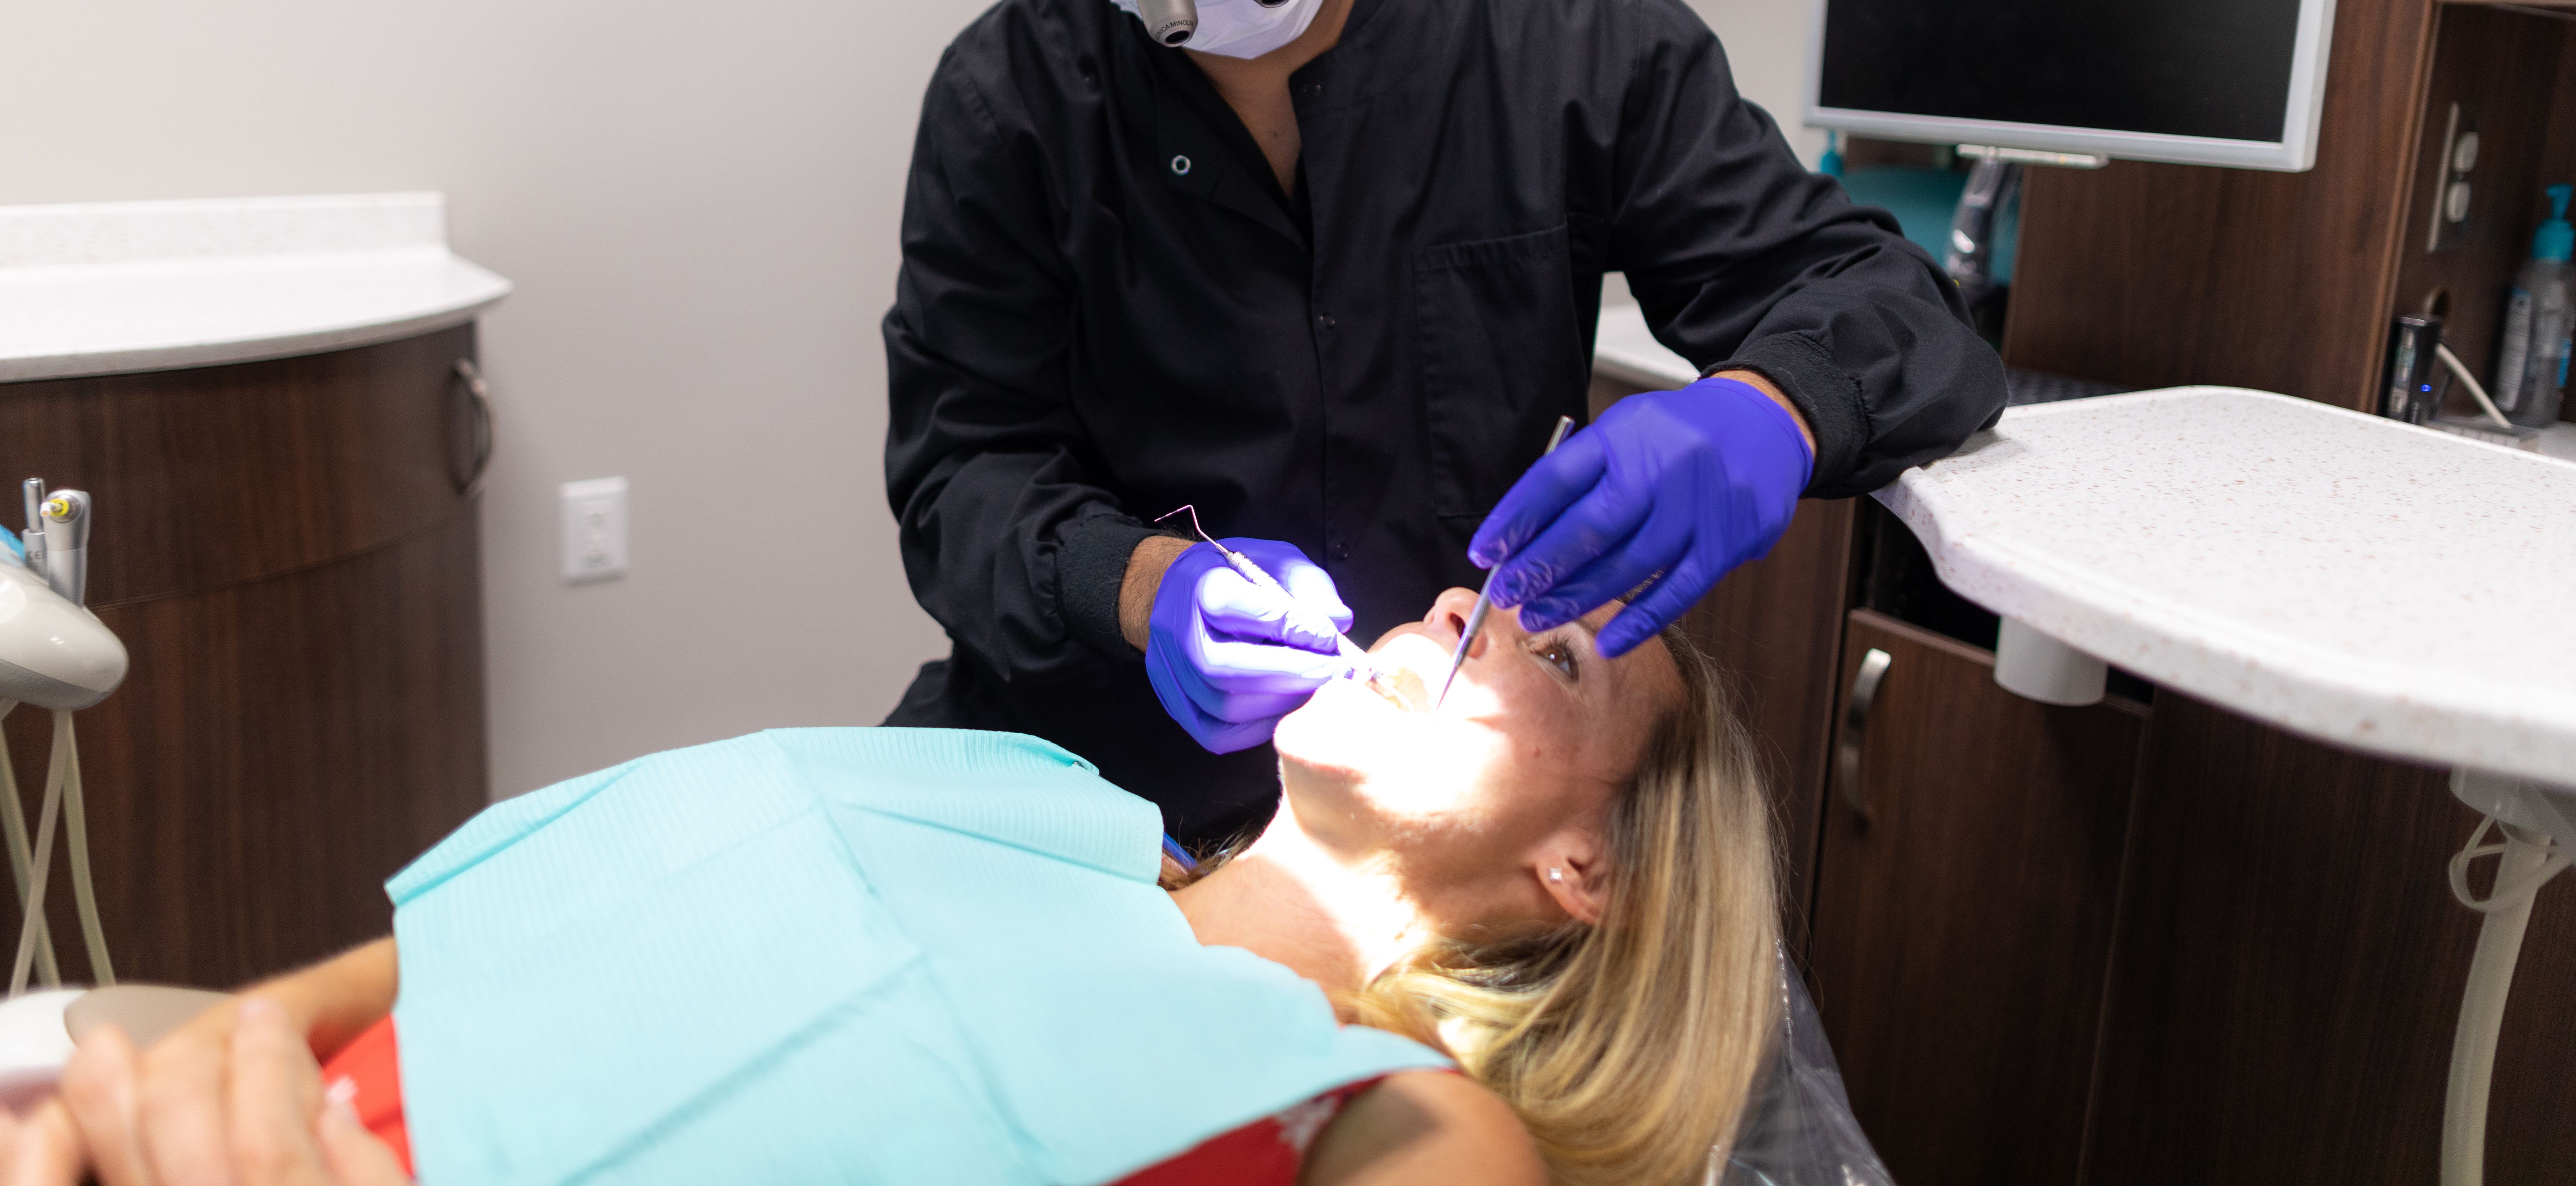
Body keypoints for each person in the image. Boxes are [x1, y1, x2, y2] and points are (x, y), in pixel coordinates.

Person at [884, 0, 2007, 841]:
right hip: (1079, 774)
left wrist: (1772, 412)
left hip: (1426, 816)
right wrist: (1146, 587)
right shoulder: (1010, 102)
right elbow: (960, 476)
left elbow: (1892, 309)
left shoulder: (1567, 46)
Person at [0, 595, 1780, 1186]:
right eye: (1478, 584)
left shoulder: (1412, 1126)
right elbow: (499, 943)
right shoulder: (1030, 799)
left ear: (1587, 870)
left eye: (1545, 647)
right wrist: (217, 1056)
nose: (1458, 616)